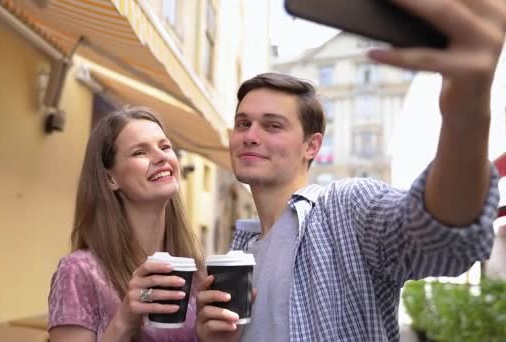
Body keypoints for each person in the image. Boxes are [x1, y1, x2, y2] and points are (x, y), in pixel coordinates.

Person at [196, 1, 505, 341]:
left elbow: (439, 238)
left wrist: (466, 110)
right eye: (243, 123)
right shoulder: (241, 249)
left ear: (312, 146)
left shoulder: (344, 208)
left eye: (272, 126)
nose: (251, 136)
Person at [48, 106, 204, 342]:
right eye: (140, 152)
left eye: (165, 147)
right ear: (110, 178)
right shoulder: (80, 271)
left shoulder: (194, 270)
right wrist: (125, 319)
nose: (161, 157)